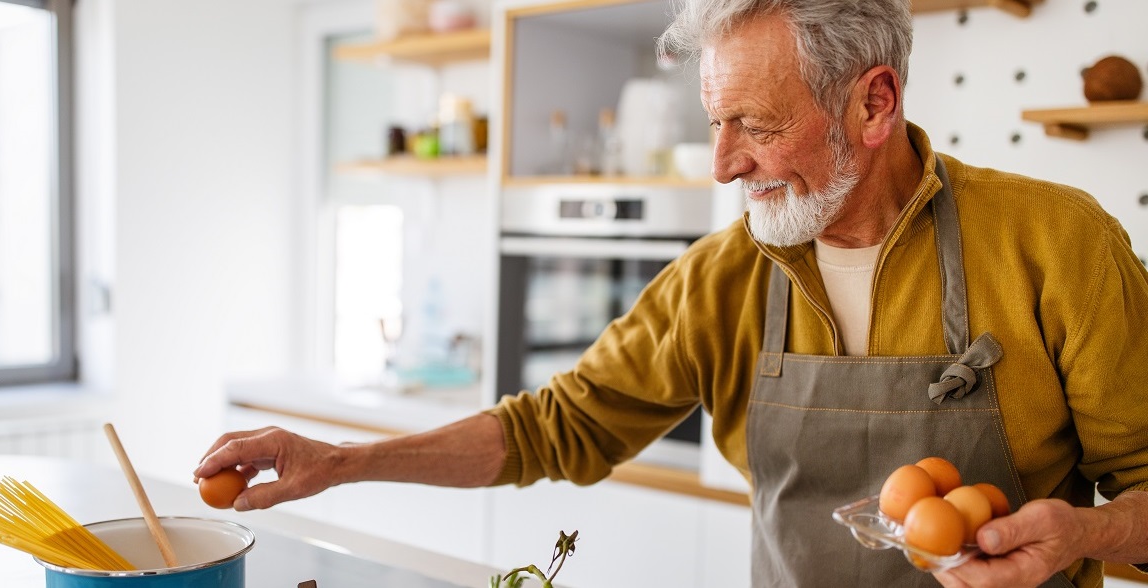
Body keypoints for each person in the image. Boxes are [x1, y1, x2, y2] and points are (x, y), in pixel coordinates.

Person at [195, 0, 1148, 585]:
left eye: (755, 125)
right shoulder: (722, 277)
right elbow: (550, 428)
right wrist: (344, 463)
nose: (726, 164)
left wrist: (1084, 534)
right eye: (713, 123)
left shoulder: (1056, 245)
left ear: (874, 103)